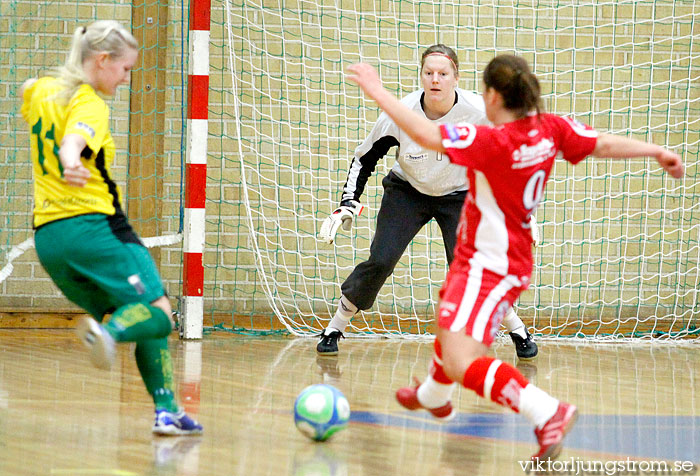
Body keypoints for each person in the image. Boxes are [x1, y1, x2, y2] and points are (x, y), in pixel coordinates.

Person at [345, 54, 683, 461]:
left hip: (487, 264)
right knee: (449, 315)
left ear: (490, 96)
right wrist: (656, 151)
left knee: (461, 360)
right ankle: (434, 395)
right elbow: (602, 143)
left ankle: (546, 412)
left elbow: (425, 132)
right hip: (510, 259)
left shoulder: (491, 142)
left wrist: (376, 89)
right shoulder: (550, 129)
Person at [19, 21, 202, 436]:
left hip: (49, 240)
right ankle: (108, 332)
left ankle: (167, 411)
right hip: (96, 230)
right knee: (159, 315)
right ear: (101, 60)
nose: (125, 79)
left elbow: (27, 90)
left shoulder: (42, 92)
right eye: (124, 70)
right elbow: (73, 140)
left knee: (138, 306)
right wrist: (70, 158)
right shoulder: (89, 104)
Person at [317, 45, 538, 362]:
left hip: (460, 196)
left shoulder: (478, 113)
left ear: (455, 78)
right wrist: (348, 202)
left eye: (443, 73)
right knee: (381, 260)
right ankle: (335, 327)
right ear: (421, 77)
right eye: (429, 73)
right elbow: (363, 159)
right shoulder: (400, 114)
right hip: (407, 191)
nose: (435, 79)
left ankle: (517, 330)